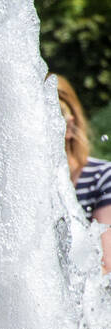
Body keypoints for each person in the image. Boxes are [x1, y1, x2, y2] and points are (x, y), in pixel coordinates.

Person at [55, 75, 111, 273]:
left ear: (70, 125)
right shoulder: (18, 191)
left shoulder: (103, 178)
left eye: (53, 115)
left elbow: (106, 264)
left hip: (88, 300)